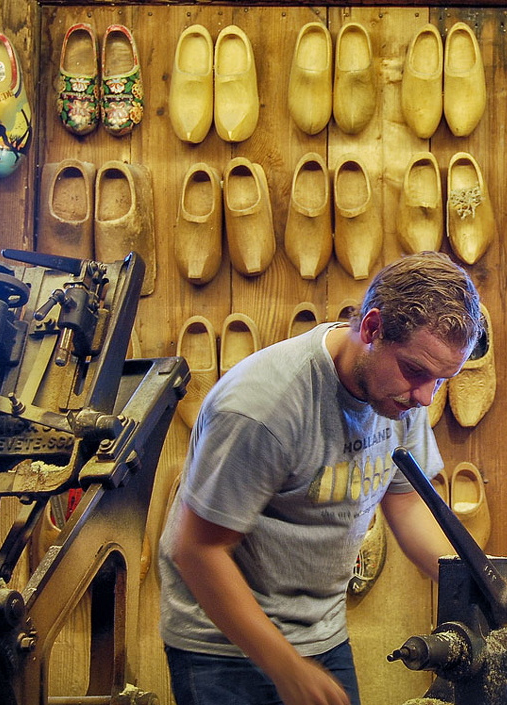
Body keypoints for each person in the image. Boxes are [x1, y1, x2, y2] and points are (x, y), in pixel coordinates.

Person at [158, 251, 484, 705]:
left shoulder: (400, 395)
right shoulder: (264, 408)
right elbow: (196, 551)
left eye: (442, 380)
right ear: (371, 329)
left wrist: (483, 584)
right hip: (224, 648)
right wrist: (284, 666)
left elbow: (407, 505)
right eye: (417, 373)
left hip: (321, 634)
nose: (426, 398)